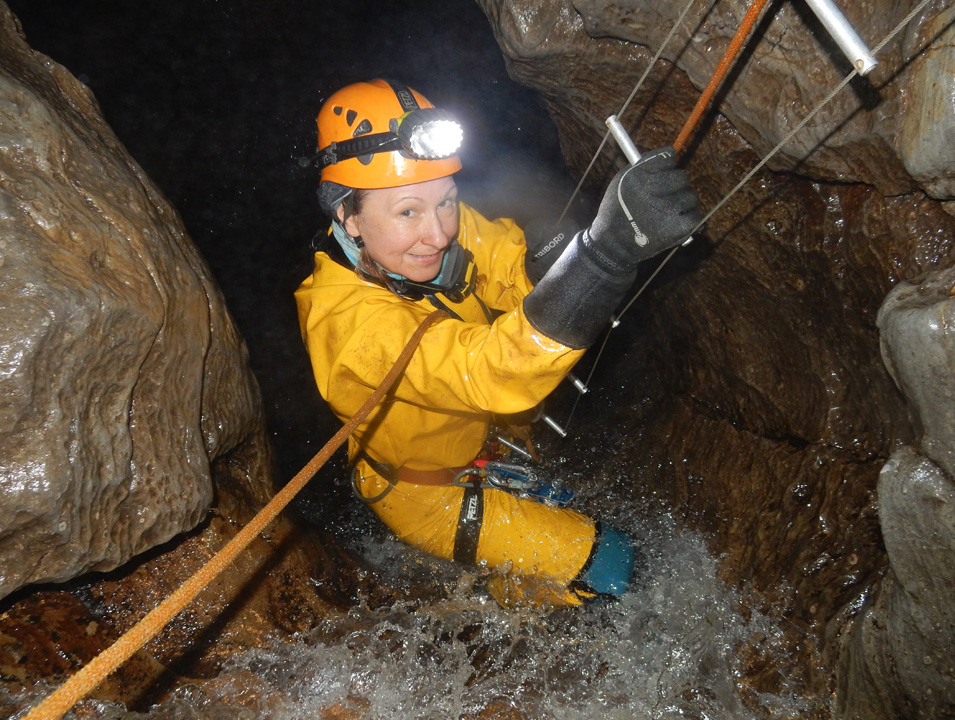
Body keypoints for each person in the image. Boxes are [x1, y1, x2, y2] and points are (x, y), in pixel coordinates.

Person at [295, 79, 700, 608]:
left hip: (476, 451)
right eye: (407, 212)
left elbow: (508, 263)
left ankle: (503, 592)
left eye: (446, 202)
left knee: (573, 515)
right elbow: (490, 373)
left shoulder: (436, 239)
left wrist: (566, 260)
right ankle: (513, 616)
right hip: (427, 495)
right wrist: (605, 257)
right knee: (615, 563)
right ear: (347, 216)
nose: (439, 234)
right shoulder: (349, 326)